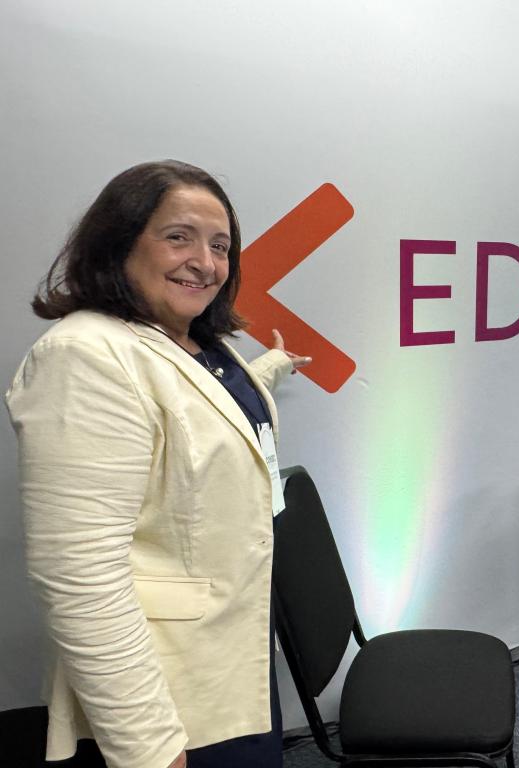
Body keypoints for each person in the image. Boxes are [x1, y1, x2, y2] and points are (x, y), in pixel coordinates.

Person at [5, 160, 312, 768]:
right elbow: (80, 577)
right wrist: (147, 745)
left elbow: (198, 414)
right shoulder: (85, 356)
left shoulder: (200, 343)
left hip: (233, 655)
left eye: (220, 246)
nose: (205, 262)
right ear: (120, 243)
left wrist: (273, 367)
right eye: (179, 237)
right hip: (166, 697)